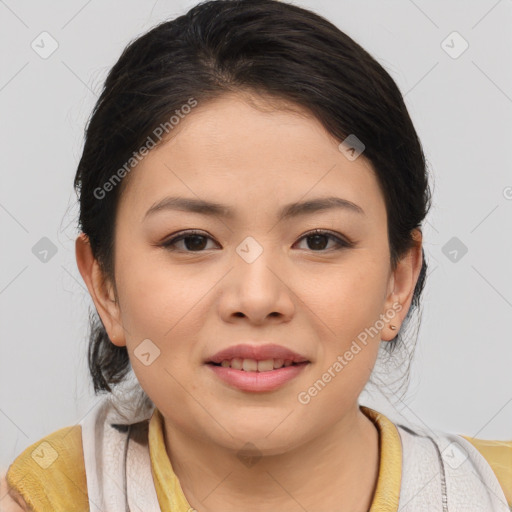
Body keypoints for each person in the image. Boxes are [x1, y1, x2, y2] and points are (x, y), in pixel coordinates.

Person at [2, 0, 511, 510]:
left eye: (318, 240)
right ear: (105, 285)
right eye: (192, 241)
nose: (257, 297)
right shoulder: (47, 496)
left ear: (397, 282)